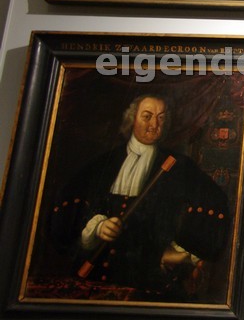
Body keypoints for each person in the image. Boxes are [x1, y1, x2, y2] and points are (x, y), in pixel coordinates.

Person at [48, 94, 230, 300]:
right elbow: (70, 207)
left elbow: (215, 205)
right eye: (147, 116)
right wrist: (97, 226)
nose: (154, 124)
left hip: (149, 280)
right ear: (132, 119)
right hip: (95, 273)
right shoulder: (105, 163)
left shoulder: (179, 166)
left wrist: (180, 251)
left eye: (161, 118)